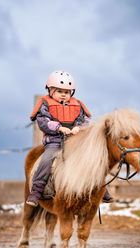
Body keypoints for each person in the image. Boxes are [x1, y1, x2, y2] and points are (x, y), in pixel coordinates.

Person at [26, 70, 112, 207]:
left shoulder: (77, 105)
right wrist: (59, 128)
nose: (64, 95)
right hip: (54, 142)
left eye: (67, 92)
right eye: (60, 91)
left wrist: (78, 127)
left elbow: (83, 119)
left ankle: (100, 187)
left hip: (74, 142)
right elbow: (43, 121)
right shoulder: (45, 104)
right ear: (51, 90)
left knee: (90, 160)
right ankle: (37, 190)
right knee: (47, 160)